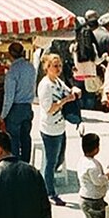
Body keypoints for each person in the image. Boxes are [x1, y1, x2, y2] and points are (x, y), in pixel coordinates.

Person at [36, 52, 79, 207]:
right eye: (55, 66)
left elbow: (67, 90)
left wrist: (73, 90)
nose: (58, 68)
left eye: (59, 65)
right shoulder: (45, 85)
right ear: (47, 67)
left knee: (59, 158)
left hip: (60, 126)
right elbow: (49, 108)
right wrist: (65, 100)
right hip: (50, 128)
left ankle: (47, 181)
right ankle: (50, 192)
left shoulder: (58, 82)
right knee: (51, 161)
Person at [1, 41, 36, 163]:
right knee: (26, 138)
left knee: (13, 140)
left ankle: (15, 165)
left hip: (15, 109)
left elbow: (9, 96)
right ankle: (26, 163)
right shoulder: (30, 67)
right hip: (27, 107)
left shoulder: (13, 71)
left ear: (10, 54)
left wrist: (3, 115)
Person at [79, 131, 109, 218]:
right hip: (93, 200)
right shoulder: (91, 166)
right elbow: (97, 181)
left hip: (86, 199)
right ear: (96, 148)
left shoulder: (83, 161)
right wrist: (107, 176)